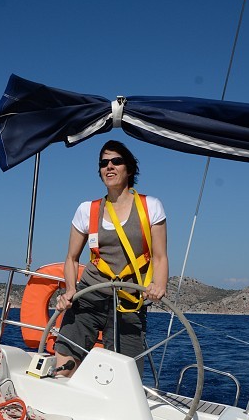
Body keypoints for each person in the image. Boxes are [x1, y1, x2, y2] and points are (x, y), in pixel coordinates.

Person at [54, 140, 168, 377]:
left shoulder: (151, 207)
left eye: (116, 161)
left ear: (130, 169)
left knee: (124, 376)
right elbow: (72, 258)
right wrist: (70, 289)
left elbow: (159, 256)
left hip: (129, 301)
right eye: (104, 163)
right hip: (89, 296)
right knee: (64, 365)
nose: (109, 166)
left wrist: (159, 285)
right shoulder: (86, 210)